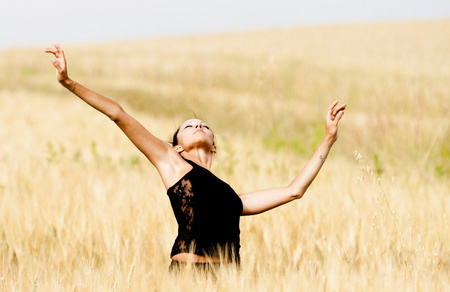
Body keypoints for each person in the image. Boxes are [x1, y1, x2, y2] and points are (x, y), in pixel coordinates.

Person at [45, 44, 346, 270]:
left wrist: (328, 138)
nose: (198, 125)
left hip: (228, 282)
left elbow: (294, 190)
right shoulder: (170, 162)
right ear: (177, 147)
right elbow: (118, 114)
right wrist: (69, 82)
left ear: (214, 145)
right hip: (190, 276)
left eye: (204, 125)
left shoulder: (233, 199)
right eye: (188, 126)